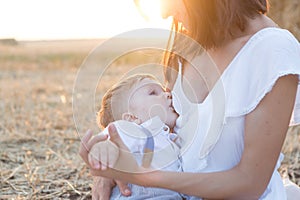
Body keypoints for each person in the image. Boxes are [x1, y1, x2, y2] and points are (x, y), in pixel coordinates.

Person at [79, 0, 300, 199]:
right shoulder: (188, 40)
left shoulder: (273, 51)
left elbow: (250, 184)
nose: (164, 12)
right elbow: (159, 126)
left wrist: (146, 177)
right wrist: (110, 163)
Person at [90, 73, 186, 199]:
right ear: (132, 118)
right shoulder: (133, 130)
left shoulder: (170, 139)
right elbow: (110, 141)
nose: (168, 94)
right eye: (153, 93)